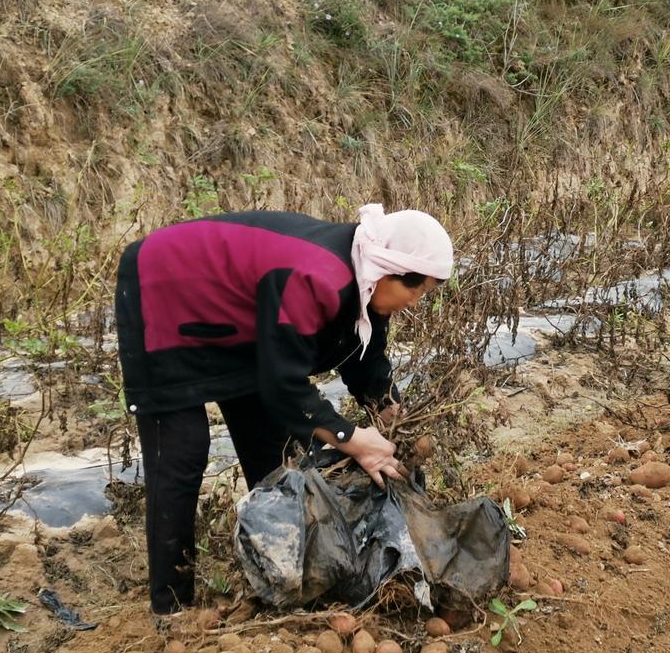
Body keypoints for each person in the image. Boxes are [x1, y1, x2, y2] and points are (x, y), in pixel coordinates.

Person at [115, 204, 454, 614]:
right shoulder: (316, 278)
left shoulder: (366, 285)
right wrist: (352, 440)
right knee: (181, 453)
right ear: (388, 268)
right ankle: (171, 608)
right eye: (415, 290)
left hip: (238, 318)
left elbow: (364, 363)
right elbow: (284, 386)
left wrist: (393, 417)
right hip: (166, 291)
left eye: (426, 293)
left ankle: (280, 571)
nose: (417, 302)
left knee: (271, 452)